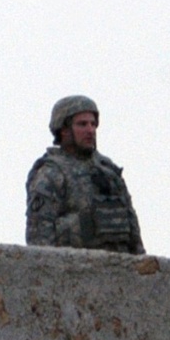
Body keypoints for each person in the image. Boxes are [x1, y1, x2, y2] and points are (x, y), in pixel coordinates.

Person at [26, 96, 144, 253]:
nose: (90, 130)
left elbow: (132, 228)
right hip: (72, 272)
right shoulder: (51, 174)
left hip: (117, 270)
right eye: (82, 124)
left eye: (93, 124)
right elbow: (39, 241)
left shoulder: (108, 171)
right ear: (64, 130)